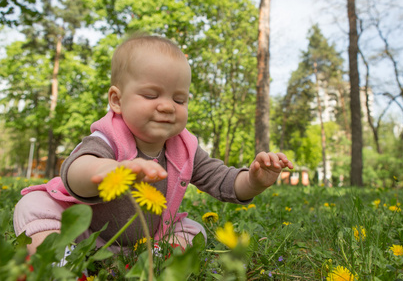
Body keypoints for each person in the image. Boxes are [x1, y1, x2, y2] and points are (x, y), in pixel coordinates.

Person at [14, 33, 294, 255]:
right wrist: (113, 170)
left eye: (179, 99)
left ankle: (151, 262)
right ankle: (58, 259)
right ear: (117, 100)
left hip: (145, 241)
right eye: (151, 95)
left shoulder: (185, 149)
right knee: (33, 204)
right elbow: (76, 170)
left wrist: (254, 181)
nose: (167, 107)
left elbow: (222, 180)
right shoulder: (109, 136)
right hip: (83, 231)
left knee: (193, 230)